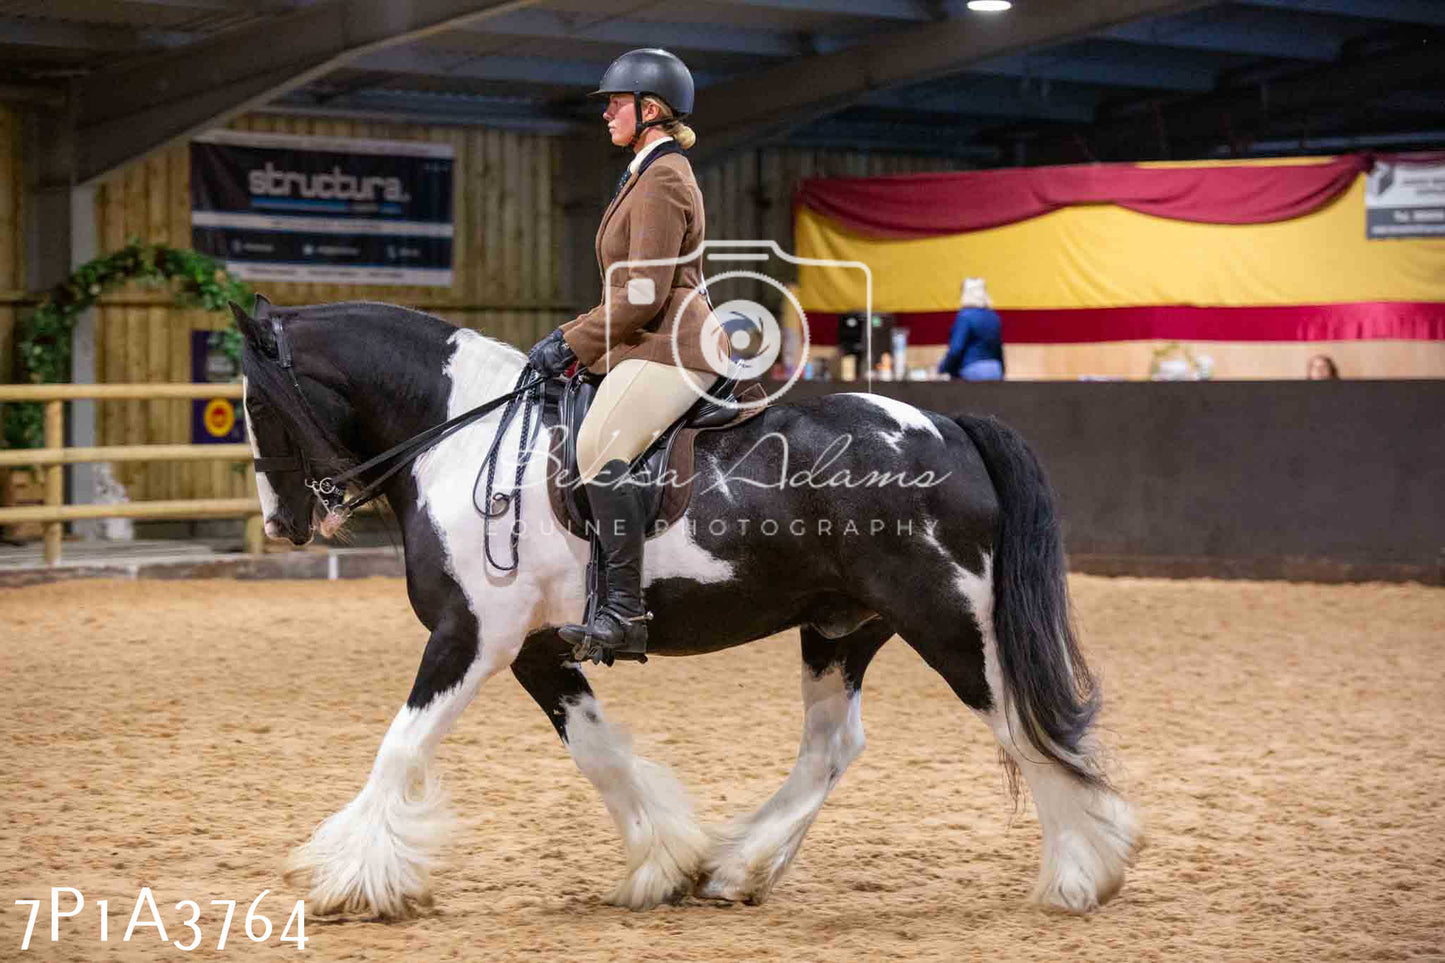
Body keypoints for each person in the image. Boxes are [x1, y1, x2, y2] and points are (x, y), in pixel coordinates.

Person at [526, 48, 721, 660]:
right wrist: (578, 335)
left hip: (672, 344)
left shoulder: (663, 176)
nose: (607, 112)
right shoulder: (642, 170)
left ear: (652, 109)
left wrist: (571, 340)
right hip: (642, 339)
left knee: (597, 446)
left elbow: (645, 293)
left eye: (617, 102)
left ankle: (625, 611)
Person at [937, 277, 1004, 381]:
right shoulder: (993, 317)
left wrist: (942, 369)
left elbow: (956, 349)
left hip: (973, 368)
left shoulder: (965, 316)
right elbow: (999, 349)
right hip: (995, 369)